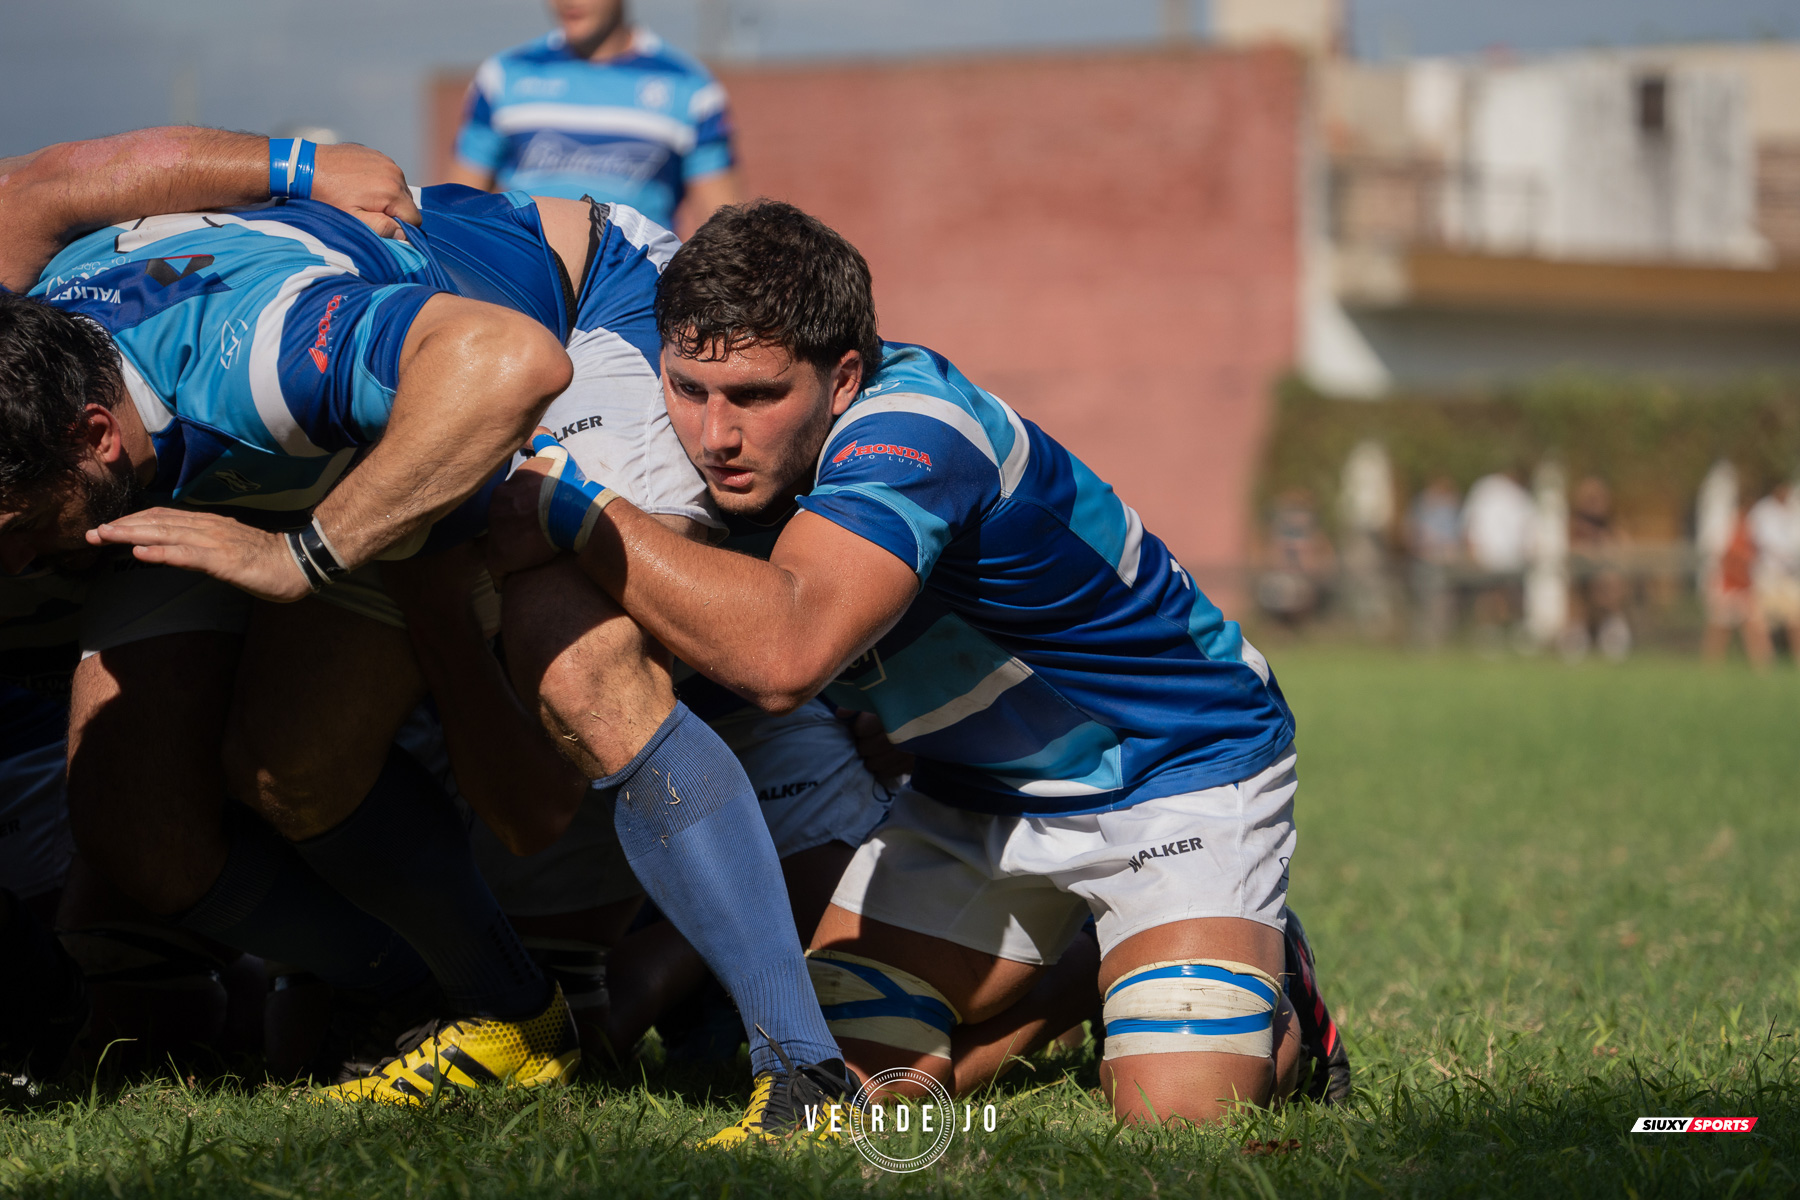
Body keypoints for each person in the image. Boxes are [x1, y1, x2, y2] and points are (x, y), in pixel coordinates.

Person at [489, 200, 1351, 1127]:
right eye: (689, 389)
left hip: (1174, 771)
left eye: (755, 396)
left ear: (844, 377)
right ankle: (1093, 976)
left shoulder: (918, 430)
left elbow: (783, 657)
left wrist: (575, 504)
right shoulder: (729, 445)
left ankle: (1278, 1000)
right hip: (971, 792)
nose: (713, 435)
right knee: (857, 1105)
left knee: (1179, 1123)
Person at [1, 129, 585, 1097]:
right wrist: (294, 169)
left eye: (18, 527)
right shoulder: (49, 374)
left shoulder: (258, 364)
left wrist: (303, 558)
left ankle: (514, 1009)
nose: (15, 561)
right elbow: (36, 184)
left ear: (94, 439)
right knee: (132, 825)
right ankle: (403, 992)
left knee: (293, 764)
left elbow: (509, 362)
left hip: (473, 360)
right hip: (193, 473)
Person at [448, 0, 742, 235]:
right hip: (524, 289)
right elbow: (456, 213)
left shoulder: (690, 88)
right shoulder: (502, 77)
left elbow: (725, 231)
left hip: (640, 295)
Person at [1461, 469, 1534, 649]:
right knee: (1488, 595)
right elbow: (1470, 522)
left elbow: (1528, 525)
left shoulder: (1517, 494)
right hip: (1488, 555)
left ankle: (1517, 633)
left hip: (1511, 558)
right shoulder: (1485, 489)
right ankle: (1488, 633)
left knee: (1512, 596)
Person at [1702, 501, 1772, 670]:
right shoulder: (1728, 532)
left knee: (1753, 628)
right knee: (1721, 629)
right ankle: (1711, 667)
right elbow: (1726, 560)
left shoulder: (1749, 532)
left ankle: (1764, 667)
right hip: (1728, 587)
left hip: (1743, 587)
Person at [1405, 476, 1461, 649]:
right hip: (1426, 561)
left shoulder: (1451, 506)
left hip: (1447, 563)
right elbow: (1411, 532)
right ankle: (1425, 640)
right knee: (1426, 602)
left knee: (1444, 602)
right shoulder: (1422, 505)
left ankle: (1440, 638)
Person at [1747, 481, 1800, 660]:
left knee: (1795, 619)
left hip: (1790, 574)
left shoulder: (1794, 510)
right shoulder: (1763, 511)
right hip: (1768, 573)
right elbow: (1763, 542)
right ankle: (1764, 662)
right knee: (1760, 622)